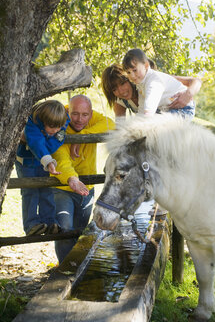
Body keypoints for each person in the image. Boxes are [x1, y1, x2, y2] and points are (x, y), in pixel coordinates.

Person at [51, 94, 115, 263]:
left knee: (80, 231)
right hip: (63, 187)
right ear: (67, 111)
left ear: (91, 114)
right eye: (75, 114)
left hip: (87, 188)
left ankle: (77, 265)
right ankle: (65, 269)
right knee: (65, 230)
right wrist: (72, 178)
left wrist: (83, 136)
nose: (79, 119)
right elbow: (61, 158)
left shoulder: (92, 121)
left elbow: (111, 124)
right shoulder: (58, 122)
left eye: (85, 115)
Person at [15, 100, 70, 236]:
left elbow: (54, 143)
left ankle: (50, 222)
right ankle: (32, 224)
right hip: (26, 161)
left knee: (46, 190)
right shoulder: (32, 123)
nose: (56, 130)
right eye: (52, 127)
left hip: (44, 162)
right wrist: (47, 158)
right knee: (30, 191)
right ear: (43, 120)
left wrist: (46, 154)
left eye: (58, 127)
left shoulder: (60, 124)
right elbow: (36, 143)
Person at [102, 61, 201, 119]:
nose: (121, 91)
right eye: (114, 89)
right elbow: (120, 126)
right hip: (158, 124)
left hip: (178, 114)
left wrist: (188, 94)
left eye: (123, 83)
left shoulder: (151, 81)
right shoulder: (120, 102)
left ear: (129, 78)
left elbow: (195, 81)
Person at [122, 48, 199, 119]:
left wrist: (144, 120)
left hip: (184, 109)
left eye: (135, 70)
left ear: (146, 65)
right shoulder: (141, 84)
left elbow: (149, 108)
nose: (132, 75)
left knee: (157, 124)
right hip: (167, 110)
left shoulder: (154, 81)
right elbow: (142, 108)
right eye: (128, 72)